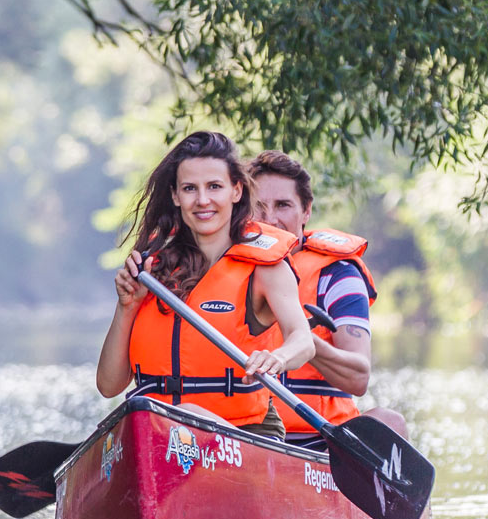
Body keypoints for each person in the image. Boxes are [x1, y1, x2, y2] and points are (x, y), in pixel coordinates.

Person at [97, 131, 315, 436]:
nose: (202, 200)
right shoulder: (152, 270)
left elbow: (303, 341)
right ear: (175, 196)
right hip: (159, 435)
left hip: (245, 434)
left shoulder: (265, 268)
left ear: (236, 190)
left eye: (214, 186)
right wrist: (127, 306)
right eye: (190, 188)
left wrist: (278, 357)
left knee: (185, 416)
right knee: (157, 422)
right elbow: (108, 386)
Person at [245, 150, 408, 441]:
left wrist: (299, 338)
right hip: (241, 433)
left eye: (283, 205)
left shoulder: (337, 276)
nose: (269, 219)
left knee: (390, 422)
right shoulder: (222, 267)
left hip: (321, 438)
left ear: (306, 211)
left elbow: (359, 377)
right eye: (258, 206)